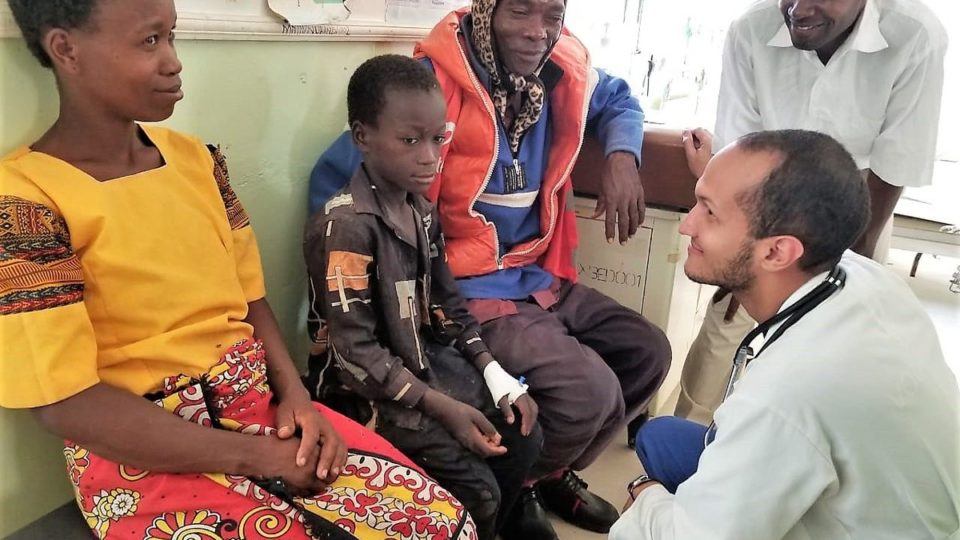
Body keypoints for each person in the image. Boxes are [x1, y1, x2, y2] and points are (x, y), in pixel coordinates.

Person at [0, 2, 478, 538]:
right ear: (66, 49)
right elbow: (64, 403)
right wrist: (259, 458)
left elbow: (250, 301)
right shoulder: (25, 203)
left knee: (444, 524)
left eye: (172, 36)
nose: (174, 63)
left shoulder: (199, 164)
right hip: (137, 453)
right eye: (150, 42)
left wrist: (298, 399)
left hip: (258, 406)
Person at [308, 1, 672, 535]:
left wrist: (623, 156)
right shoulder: (432, 84)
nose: (536, 32)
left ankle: (548, 472)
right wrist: (363, 287)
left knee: (647, 352)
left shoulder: (561, 65)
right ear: (487, 11)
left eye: (551, 15)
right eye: (520, 11)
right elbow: (343, 182)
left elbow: (616, 99)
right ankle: (518, 483)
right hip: (465, 282)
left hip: (533, 269)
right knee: (589, 391)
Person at [611, 129, 960, 539]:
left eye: (708, 212)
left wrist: (644, 495)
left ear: (777, 252)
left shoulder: (787, 392)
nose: (687, 225)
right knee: (661, 437)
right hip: (902, 500)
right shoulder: (863, 277)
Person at [303, 54, 543, 540]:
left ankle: (494, 525)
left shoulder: (420, 209)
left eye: (438, 139)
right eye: (410, 141)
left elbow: (448, 308)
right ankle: (483, 521)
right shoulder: (346, 226)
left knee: (524, 433)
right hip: (361, 394)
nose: (429, 156)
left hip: (420, 366)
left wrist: (495, 376)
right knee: (477, 489)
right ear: (362, 137)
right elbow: (357, 356)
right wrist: (442, 407)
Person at [676, 0, 948, 425]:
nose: (798, 8)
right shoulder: (751, 30)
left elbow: (896, 165)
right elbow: (740, 160)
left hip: (860, 215)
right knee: (724, 336)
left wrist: (839, 274)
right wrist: (740, 263)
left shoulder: (916, 35)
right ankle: (687, 457)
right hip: (756, 210)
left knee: (828, 353)